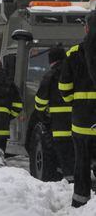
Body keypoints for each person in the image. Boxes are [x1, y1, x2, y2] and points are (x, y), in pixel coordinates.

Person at [59, 10, 96, 208]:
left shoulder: (74, 53)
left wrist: (75, 102)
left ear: (88, 28)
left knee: (81, 162)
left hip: (82, 121)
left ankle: (81, 202)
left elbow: (64, 87)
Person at [34, 47, 74, 181]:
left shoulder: (51, 75)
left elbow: (40, 101)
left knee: (65, 157)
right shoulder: (76, 71)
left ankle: (70, 184)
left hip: (60, 127)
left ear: (52, 61)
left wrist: (42, 116)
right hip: (81, 125)